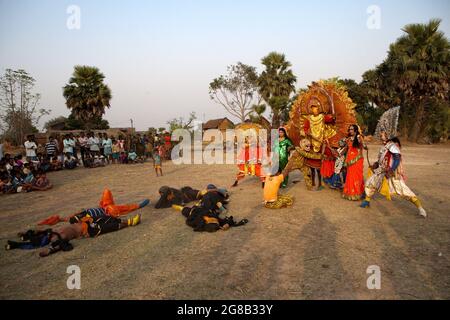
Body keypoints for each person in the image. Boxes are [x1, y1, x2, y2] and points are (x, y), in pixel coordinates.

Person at [360, 133, 427, 217]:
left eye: (382, 136)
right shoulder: (384, 147)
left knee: (404, 191)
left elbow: (397, 159)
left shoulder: (392, 146)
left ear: (387, 137)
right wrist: (375, 165)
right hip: (381, 172)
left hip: (390, 174)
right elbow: (381, 160)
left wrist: (391, 170)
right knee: (370, 183)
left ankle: (421, 209)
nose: (380, 137)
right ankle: (367, 201)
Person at [342, 124, 366, 201]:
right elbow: (346, 149)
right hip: (349, 161)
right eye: (349, 129)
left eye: (352, 129)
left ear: (355, 130)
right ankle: (350, 193)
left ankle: (357, 193)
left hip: (357, 160)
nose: (350, 131)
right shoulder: (348, 139)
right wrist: (339, 153)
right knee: (350, 176)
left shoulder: (359, 137)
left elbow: (364, 146)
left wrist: (361, 141)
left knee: (356, 176)